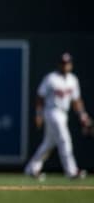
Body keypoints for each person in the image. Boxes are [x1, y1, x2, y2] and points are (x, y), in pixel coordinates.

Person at [24, 52, 91, 180]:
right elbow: (40, 96)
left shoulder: (73, 80)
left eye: (67, 63)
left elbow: (76, 100)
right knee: (65, 140)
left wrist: (83, 115)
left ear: (71, 65)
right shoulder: (51, 78)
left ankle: (32, 168)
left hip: (64, 113)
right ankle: (71, 171)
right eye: (63, 63)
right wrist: (38, 114)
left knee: (49, 143)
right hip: (52, 111)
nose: (65, 66)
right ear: (59, 64)